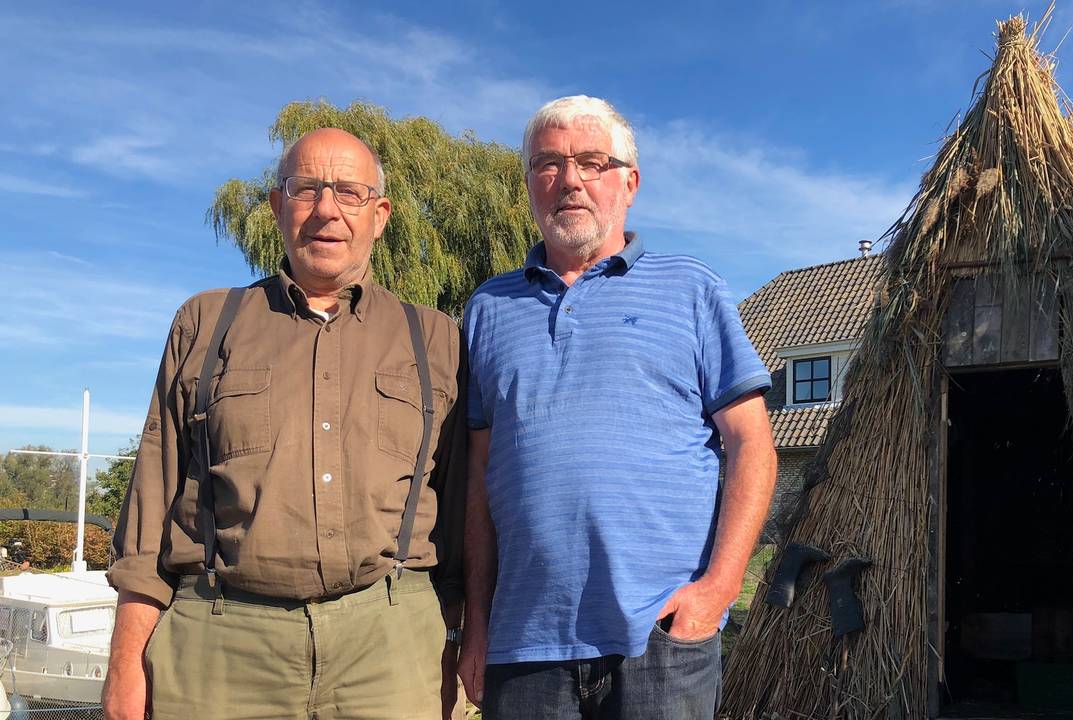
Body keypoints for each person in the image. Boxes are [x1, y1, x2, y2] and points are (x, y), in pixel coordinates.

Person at [101, 128, 468, 720]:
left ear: (380, 215)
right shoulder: (205, 323)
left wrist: (457, 631)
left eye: (349, 192)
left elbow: (458, 508)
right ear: (277, 206)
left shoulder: (434, 339)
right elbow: (149, 506)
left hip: (392, 645)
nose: (327, 209)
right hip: (220, 645)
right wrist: (124, 664)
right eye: (306, 189)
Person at [459, 96, 777, 719]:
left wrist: (718, 590)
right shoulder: (488, 310)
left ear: (628, 183)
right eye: (548, 163)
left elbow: (752, 445)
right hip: (525, 644)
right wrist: (476, 619)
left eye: (591, 162)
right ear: (529, 183)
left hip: (660, 641)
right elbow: (479, 477)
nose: (569, 180)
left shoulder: (692, 289)